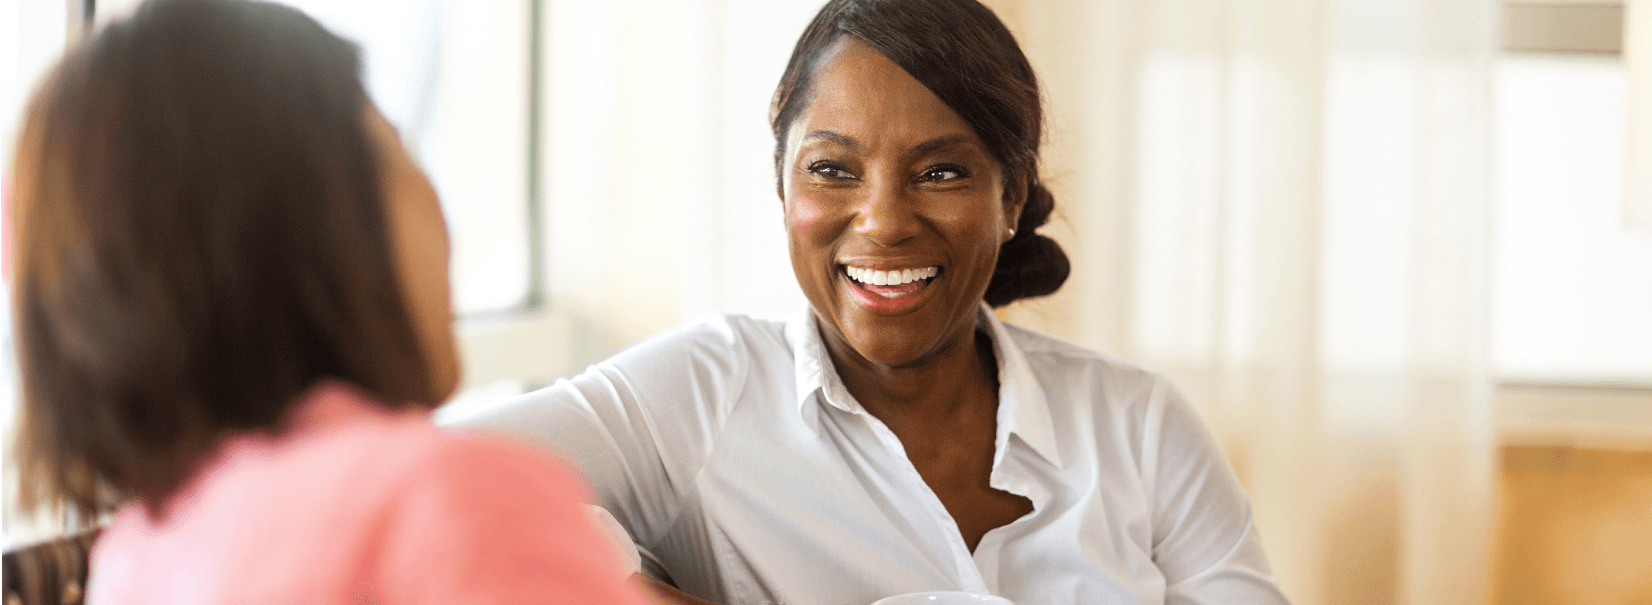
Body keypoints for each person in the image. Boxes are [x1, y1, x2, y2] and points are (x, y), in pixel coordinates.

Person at [445, 0, 1291, 603]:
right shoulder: (707, 392)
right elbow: (416, 487)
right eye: (833, 169)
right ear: (782, 189)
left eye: (942, 171)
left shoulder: (1136, 423)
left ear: (1010, 196)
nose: (882, 222)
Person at [7, 1, 646, 602]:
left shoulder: (136, 557)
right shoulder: (450, 506)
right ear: (315, 222)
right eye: (395, 148)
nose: (442, 215)